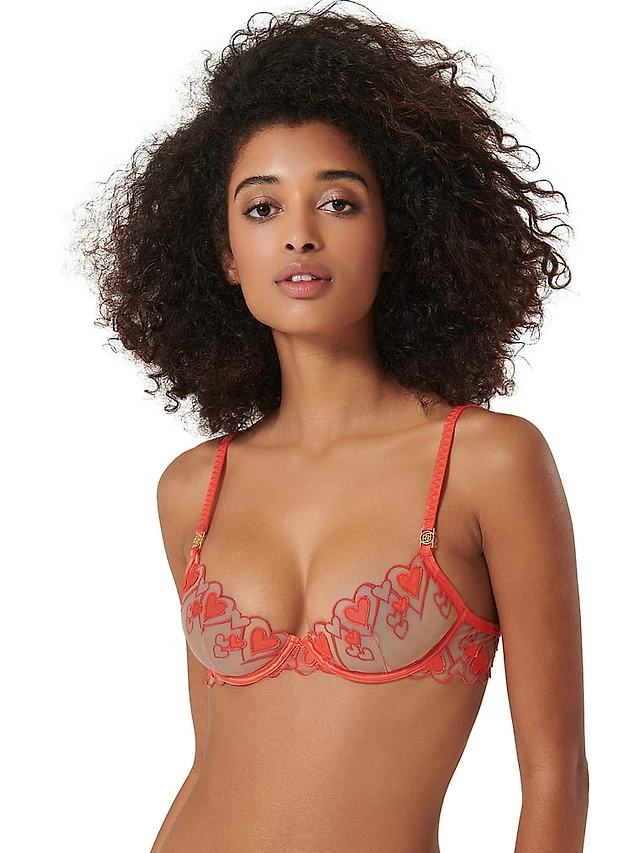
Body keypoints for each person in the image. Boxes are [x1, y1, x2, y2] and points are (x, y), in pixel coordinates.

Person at [73, 2, 589, 850]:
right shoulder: (193, 489)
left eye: (340, 203)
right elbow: (211, 761)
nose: (300, 237)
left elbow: (555, 775)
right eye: (262, 209)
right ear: (225, 255)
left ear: (396, 237)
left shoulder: (487, 461)